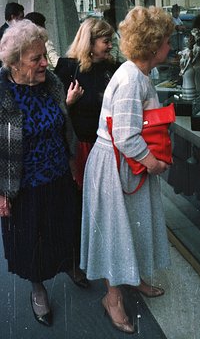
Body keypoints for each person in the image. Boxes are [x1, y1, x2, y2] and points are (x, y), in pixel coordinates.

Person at [80, 6, 175, 334]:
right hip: (116, 164)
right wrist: (154, 163)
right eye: (166, 41)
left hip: (123, 164)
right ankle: (113, 298)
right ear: (153, 45)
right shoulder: (132, 77)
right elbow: (124, 135)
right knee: (115, 230)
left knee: (127, 226)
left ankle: (130, 280)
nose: (170, 46)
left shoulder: (135, 73)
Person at [0, 19, 78, 327]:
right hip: (23, 184)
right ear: (16, 63)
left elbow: (62, 124)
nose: (45, 62)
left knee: (64, 228)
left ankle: (70, 265)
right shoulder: (2, 93)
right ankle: (38, 289)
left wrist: (72, 162)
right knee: (31, 241)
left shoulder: (52, 83)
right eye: (36, 58)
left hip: (58, 174)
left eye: (44, 54)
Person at [54, 17, 119, 285]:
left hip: (105, 145)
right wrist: (68, 102)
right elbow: (52, 114)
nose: (110, 46)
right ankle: (75, 261)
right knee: (78, 207)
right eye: (106, 41)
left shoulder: (111, 67)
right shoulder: (68, 67)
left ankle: (101, 257)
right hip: (79, 147)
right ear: (90, 43)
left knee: (104, 206)